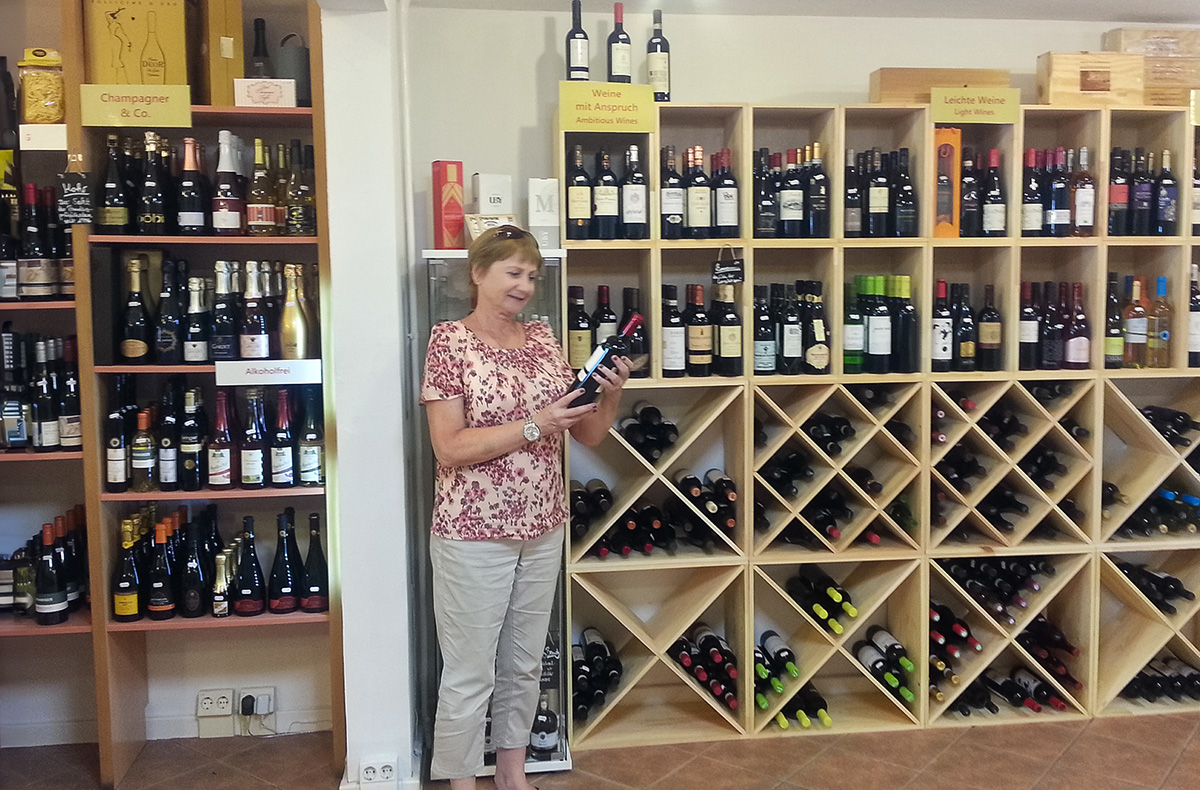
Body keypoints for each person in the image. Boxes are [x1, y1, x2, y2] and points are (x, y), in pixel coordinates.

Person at [420, 225, 631, 790]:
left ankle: (512, 774)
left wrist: (610, 393)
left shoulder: (542, 339)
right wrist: (534, 425)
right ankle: (461, 781)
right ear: (477, 272)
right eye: (513, 272)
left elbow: (588, 433)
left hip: (543, 525)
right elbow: (449, 447)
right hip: (472, 530)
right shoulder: (450, 341)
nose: (525, 286)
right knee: (469, 671)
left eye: (532, 276)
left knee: (525, 661)